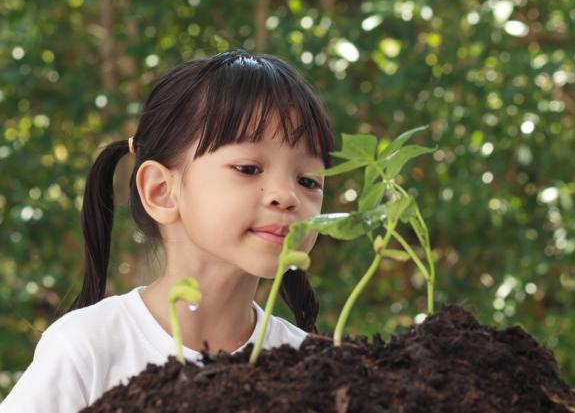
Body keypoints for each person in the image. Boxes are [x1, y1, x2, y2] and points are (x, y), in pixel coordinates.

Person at [0, 50, 334, 412]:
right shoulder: (89, 348)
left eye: (308, 181)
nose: (287, 196)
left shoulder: (314, 367)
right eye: (248, 168)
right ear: (161, 191)